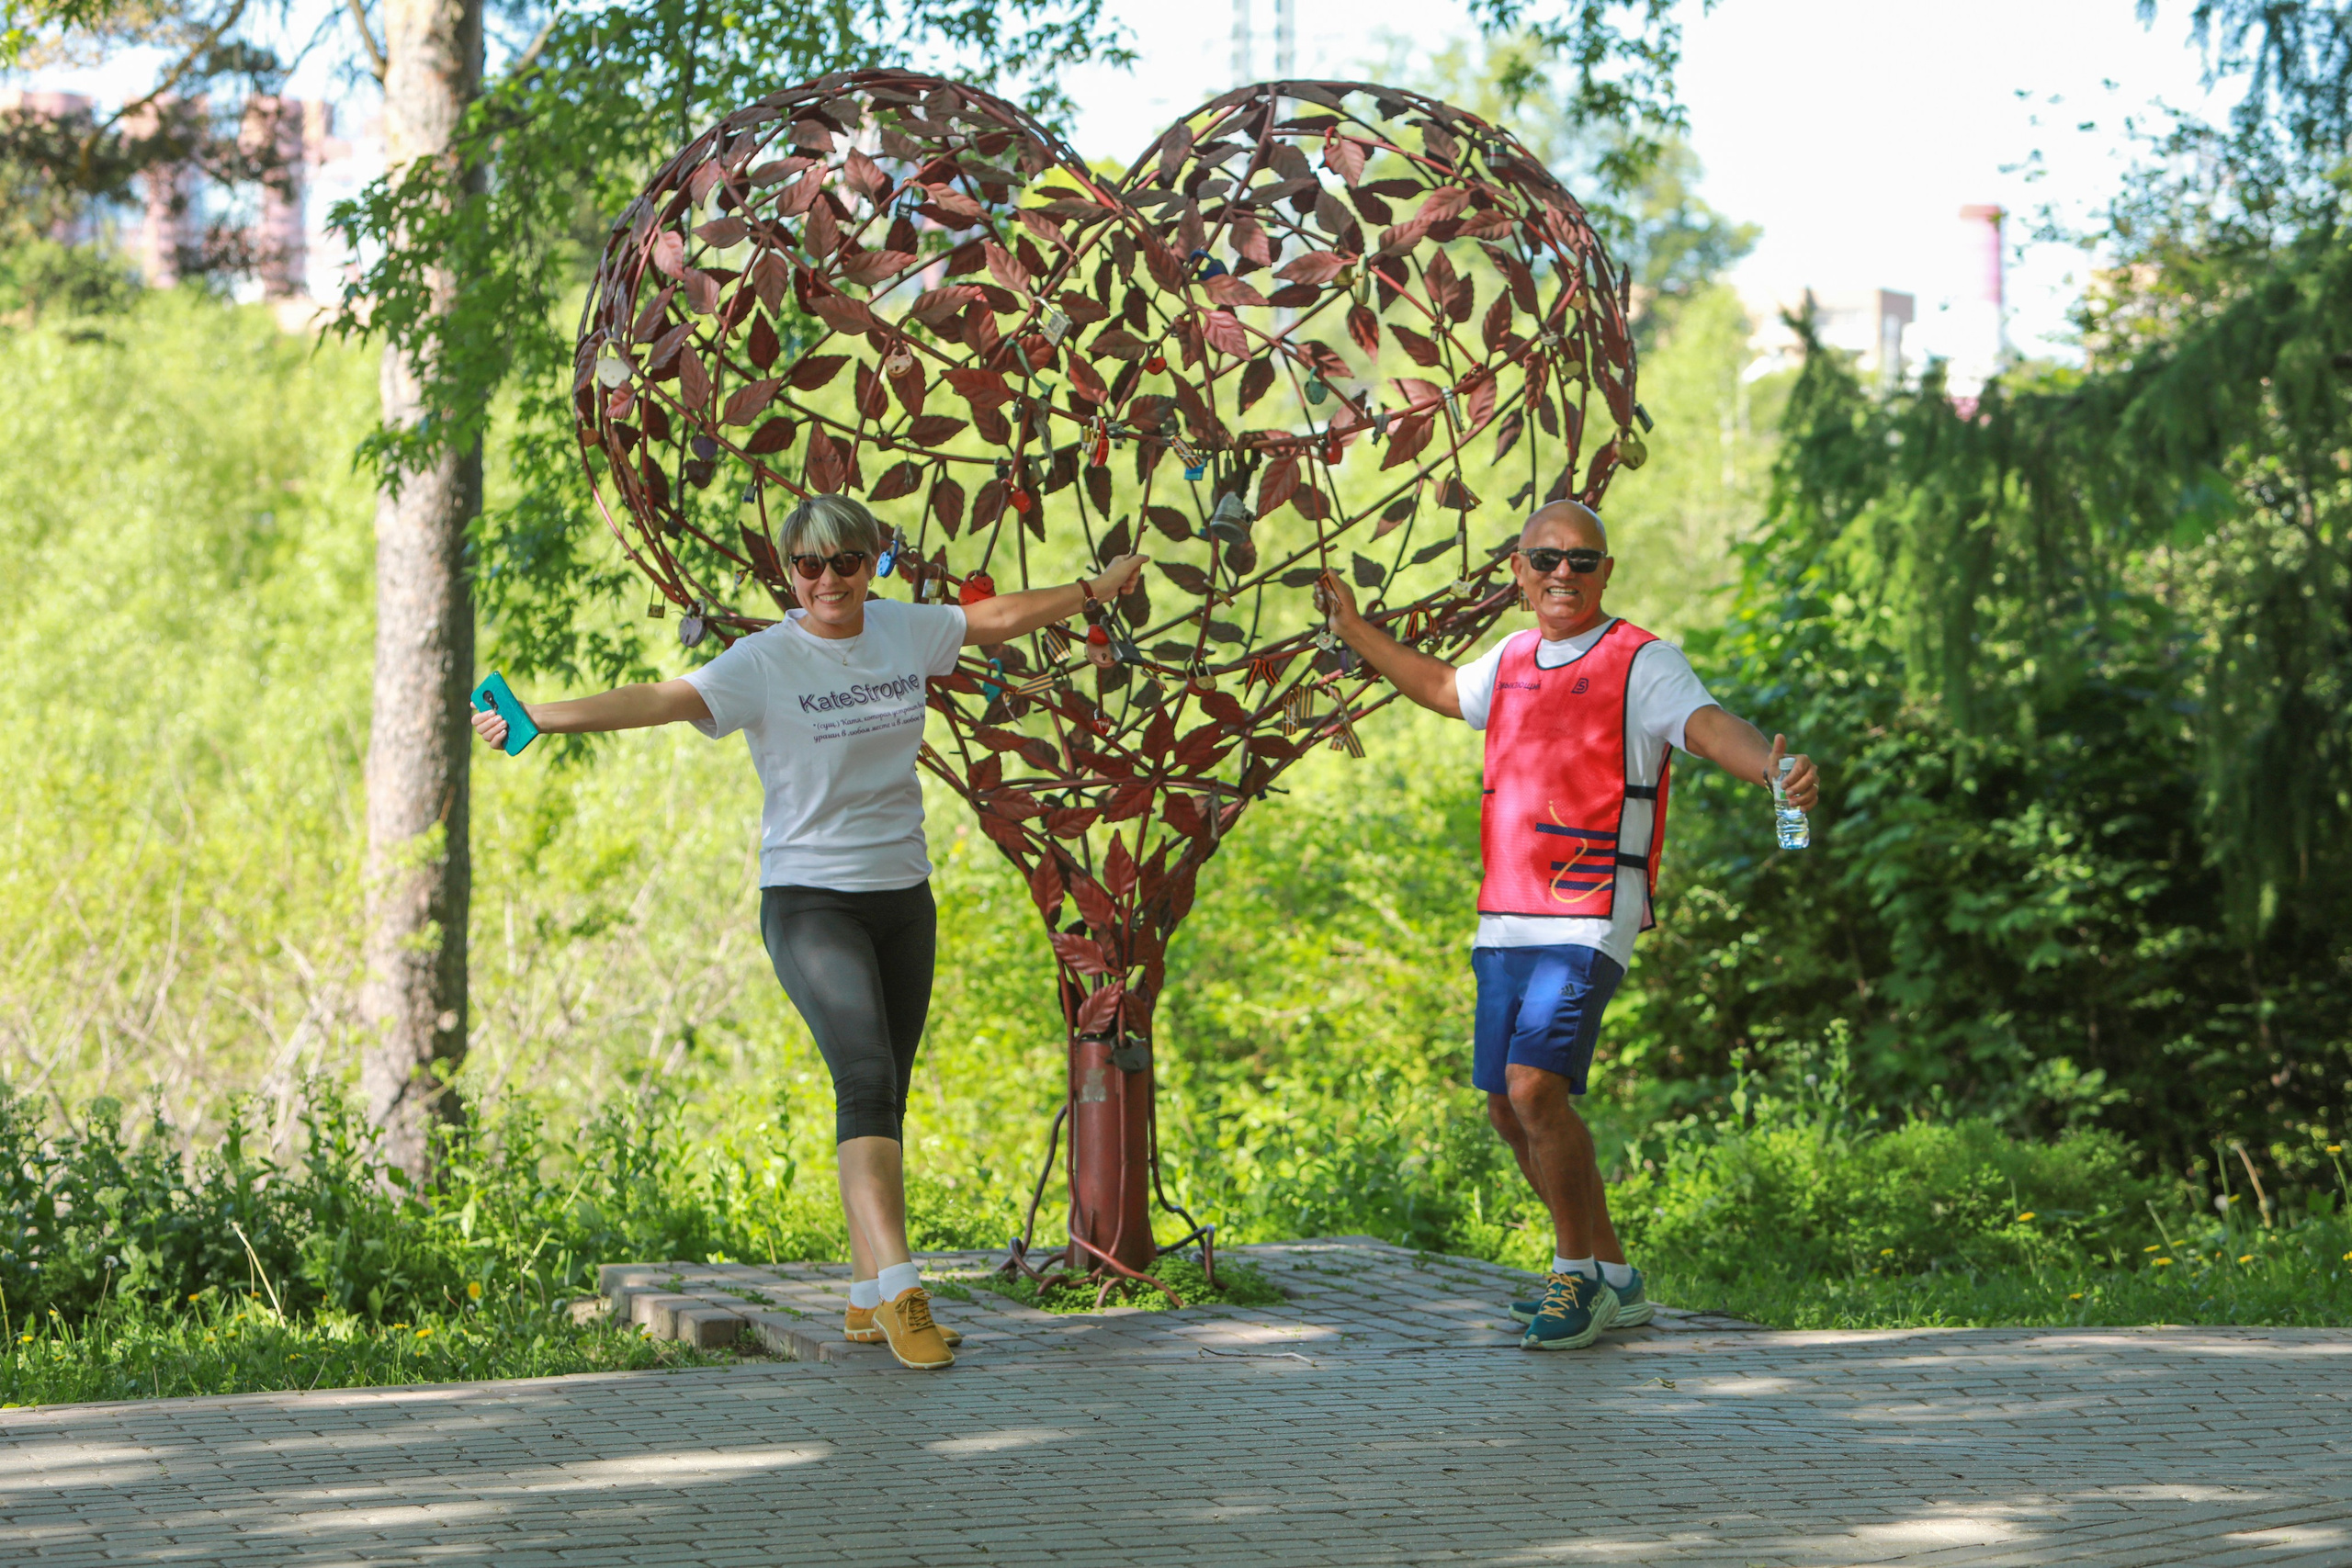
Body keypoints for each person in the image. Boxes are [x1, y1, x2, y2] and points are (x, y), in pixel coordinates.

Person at [471, 493, 1148, 1371]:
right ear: (790, 573)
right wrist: (539, 715)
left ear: (870, 565)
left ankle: (865, 1300)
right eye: (809, 564)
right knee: (865, 1077)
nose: (828, 580)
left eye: (846, 562)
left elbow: (996, 618)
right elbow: (661, 698)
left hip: (902, 896)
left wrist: (1093, 591)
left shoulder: (903, 631)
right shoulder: (765, 661)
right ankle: (904, 1291)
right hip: (809, 901)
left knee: (884, 1096)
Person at [1320, 500, 1819, 1350]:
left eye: (1581, 560)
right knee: (1505, 1109)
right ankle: (1615, 1277)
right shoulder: (1513, 657)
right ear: (1520, 569)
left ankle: (1575, 1276)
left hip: (1589, 911)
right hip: (1504, 915)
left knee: (1534, 1089)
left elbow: (1709, 729)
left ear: (1605, 572)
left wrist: (1774, 771)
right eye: (1546, 559)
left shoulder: (1643, 661)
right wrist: (1353, 629)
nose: (1563, 573)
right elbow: (1441, 687)